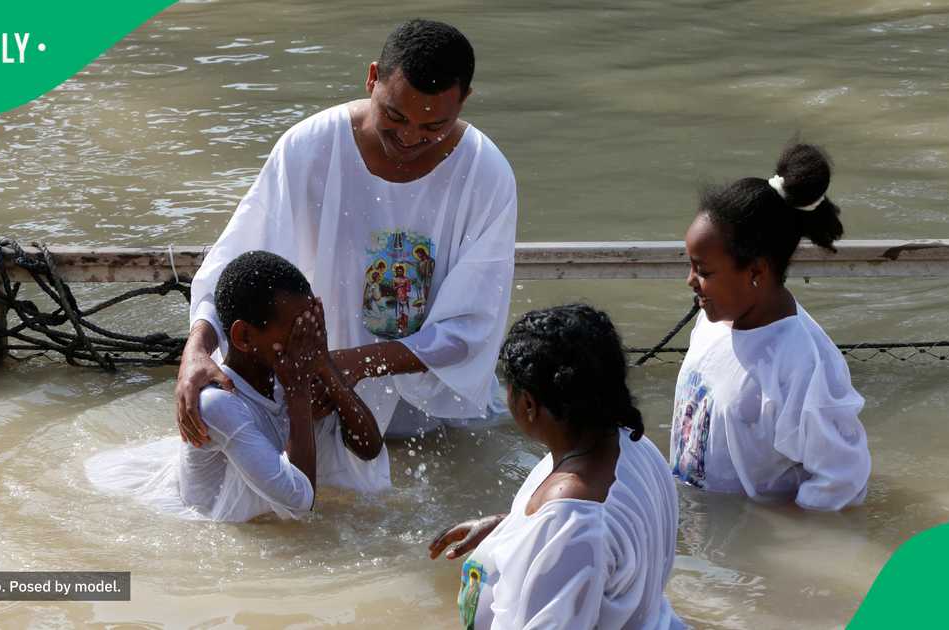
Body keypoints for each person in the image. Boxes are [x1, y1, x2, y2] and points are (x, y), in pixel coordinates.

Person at [176, 19, 517, 492]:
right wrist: (196, 349)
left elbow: (470, 330)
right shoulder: (310, 146)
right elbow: (236, 262)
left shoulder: (487, 172)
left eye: (433, 126)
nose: (411, 138)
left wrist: (350, 365)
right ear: (372, 78)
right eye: (395, 117)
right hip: (313, 395)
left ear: (464, 103)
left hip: (424, 404)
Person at [429, 305, 683, 630]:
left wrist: (547, 533)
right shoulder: (633, 446)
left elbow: (577, 539)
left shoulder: (573, 518)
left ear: (529, 404)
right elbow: (609, 556)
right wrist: (510, 527)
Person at [85, 251, 382, 522]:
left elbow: (369, 449)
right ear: (244, 337)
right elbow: (300, 503)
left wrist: (323, 363)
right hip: (201, 525)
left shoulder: (287, 370)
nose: (305, 339)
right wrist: (299, 393)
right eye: (297, 330)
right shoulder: (219, 404)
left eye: (311, 326)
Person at [671, 142, 871, 511]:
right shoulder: (712, 320)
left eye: (704, 271)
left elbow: (842, 479)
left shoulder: (803, 365)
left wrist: (772, 542)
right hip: (699, 524)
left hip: (741, 545)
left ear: (756, 272)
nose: (690, 281)